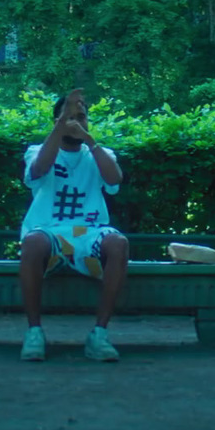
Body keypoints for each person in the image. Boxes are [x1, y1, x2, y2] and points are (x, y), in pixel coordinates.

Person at [17, 88, 128, 362]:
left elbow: (114, 181)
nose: (77, 122)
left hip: (89, 234)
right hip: (49, 233)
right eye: (70, 117)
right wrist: (61, 123)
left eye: (82, 117)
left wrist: (90, 140)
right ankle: (34, 333)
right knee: (32, 242)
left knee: (118, 243)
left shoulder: (100, 153)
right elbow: (39, 171)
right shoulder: (37, 151)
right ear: (57, 121)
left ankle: (99, 334)